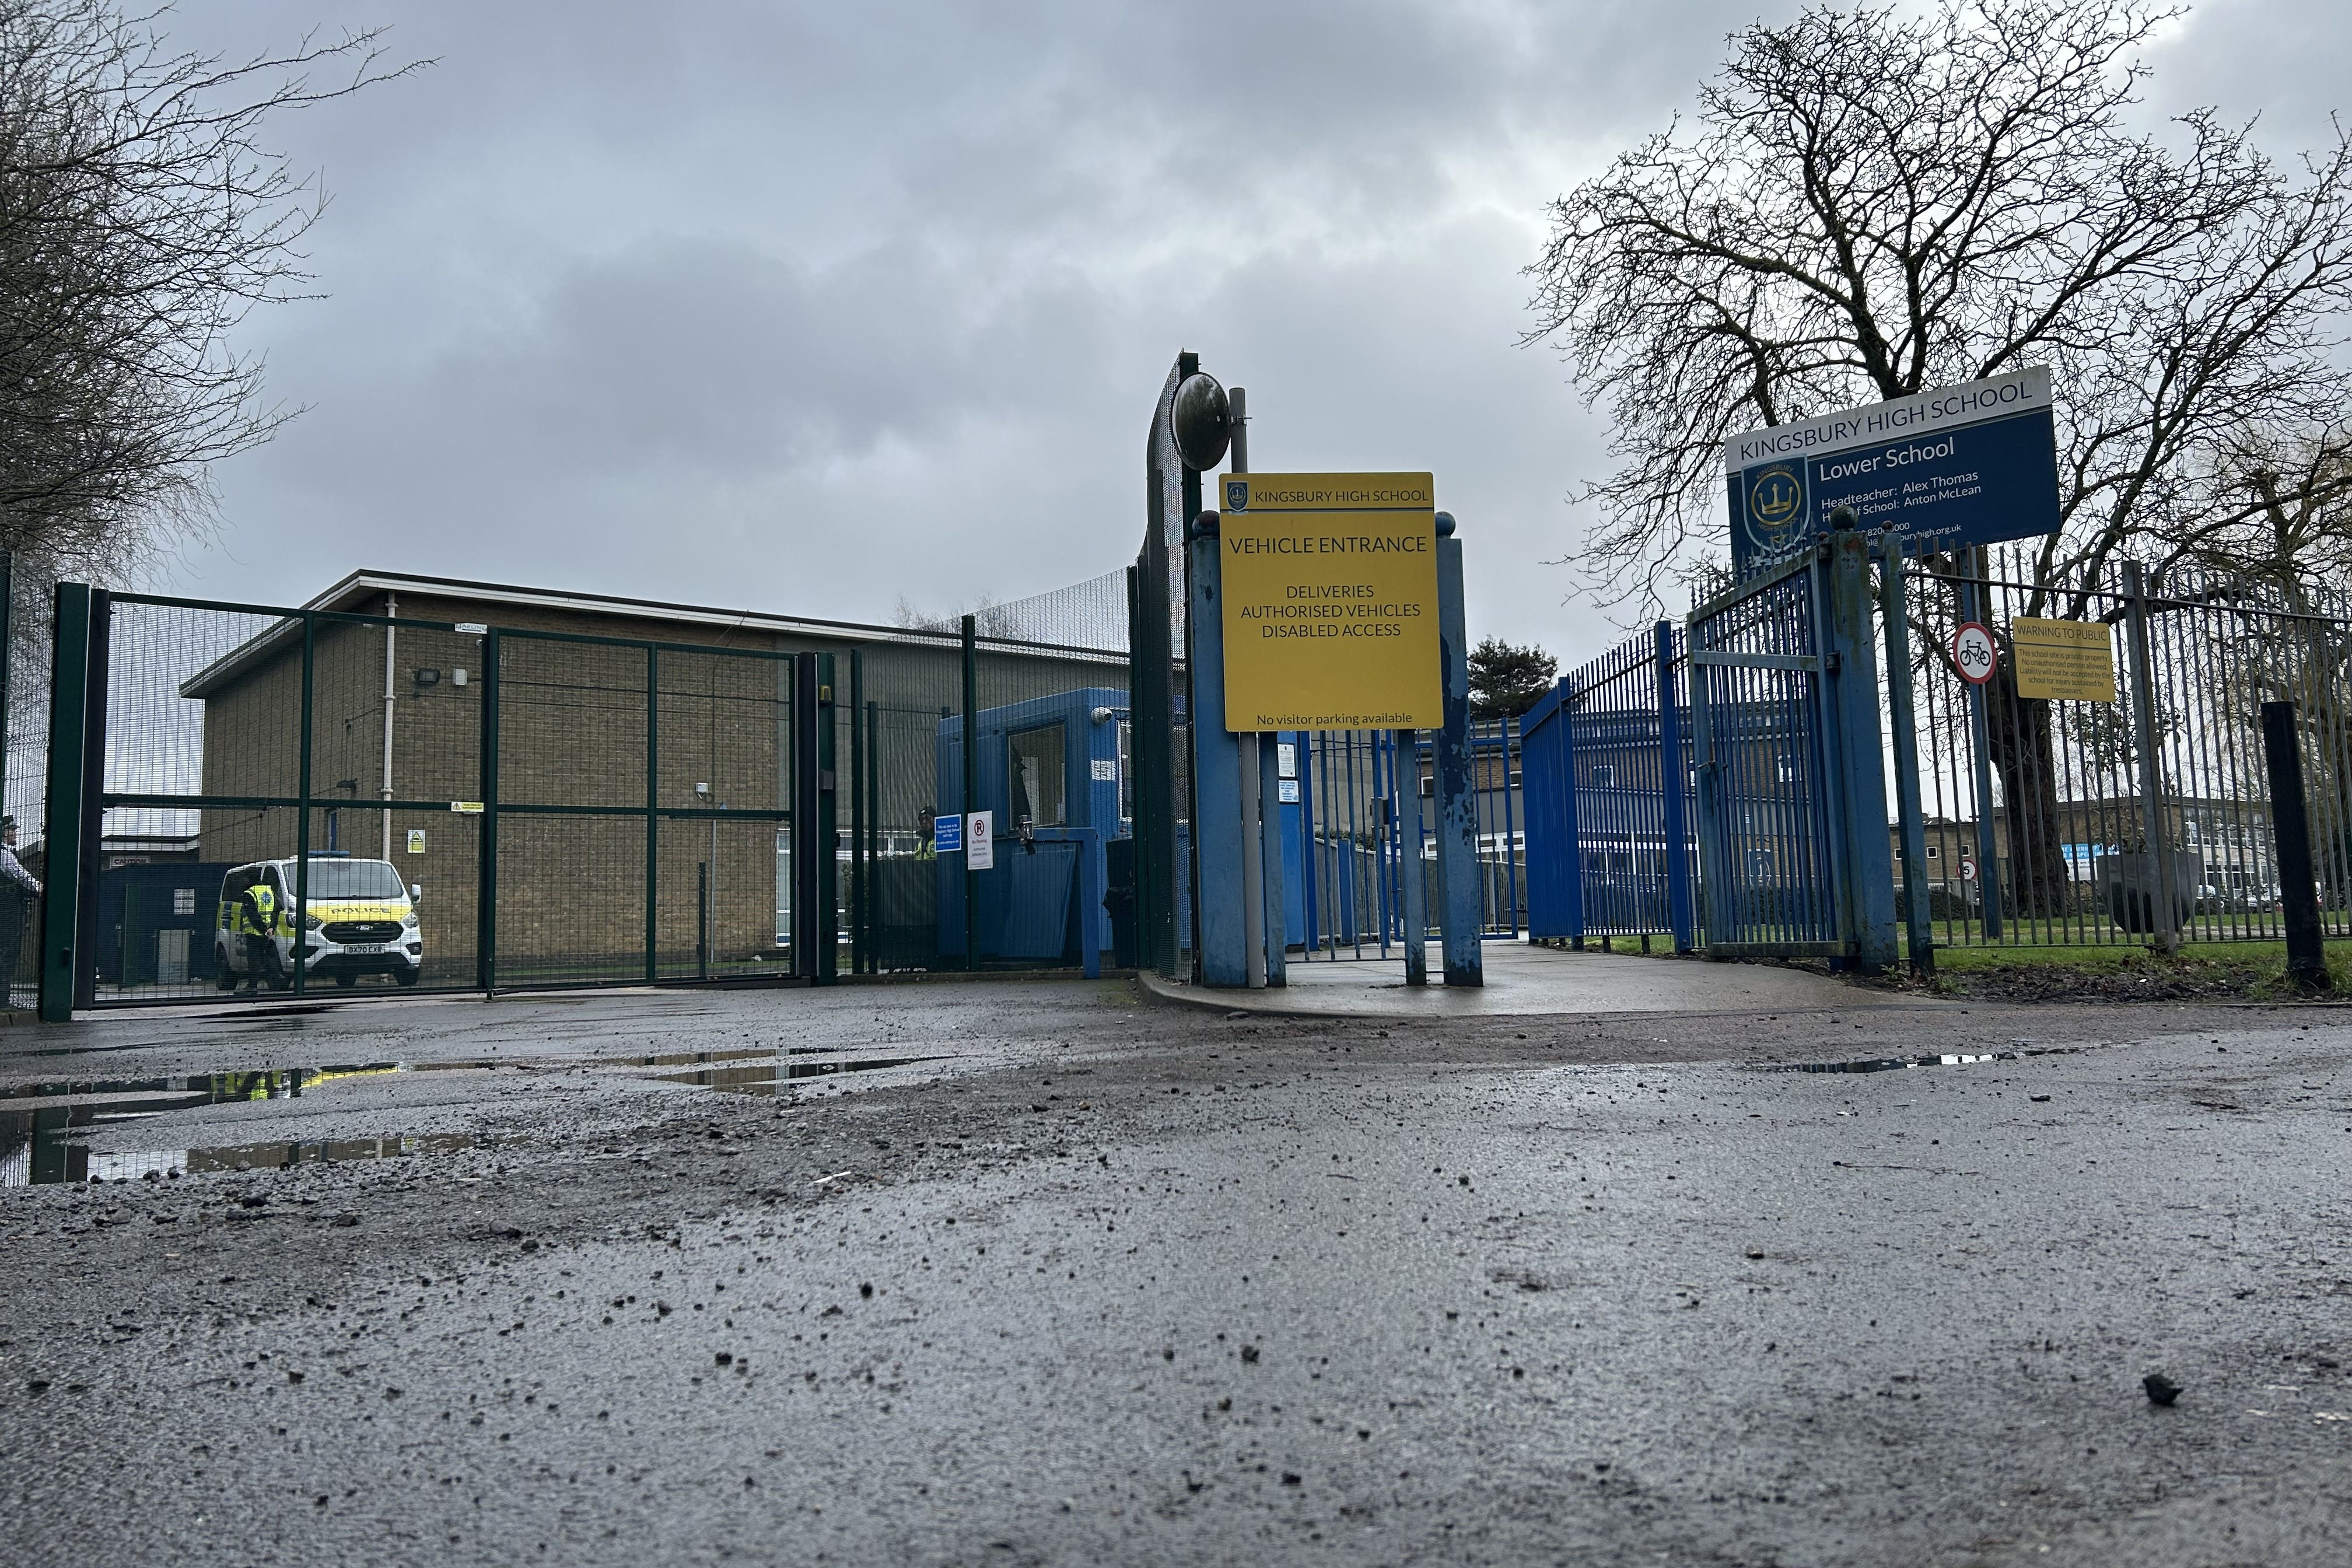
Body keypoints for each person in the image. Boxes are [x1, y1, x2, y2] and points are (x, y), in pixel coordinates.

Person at [0, 817, 39, 999]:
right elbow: (21, 876)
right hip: (8, 912)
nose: (15, 833)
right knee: (8, 952)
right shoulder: (4, 855)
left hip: (8, 910)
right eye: (12, 830)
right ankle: (2, 998)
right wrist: (39, 888)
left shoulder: (8, 853)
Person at [236, 874, 276, 995]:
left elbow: (252, 915)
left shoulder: (249, 894)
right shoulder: (270, 891)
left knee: (253, 960)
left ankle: (252, 986)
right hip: (268, 933)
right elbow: (276, 910)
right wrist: (271, 927)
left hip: (255, 932)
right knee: (266, 958)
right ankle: (275, 981)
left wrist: (263, 930)